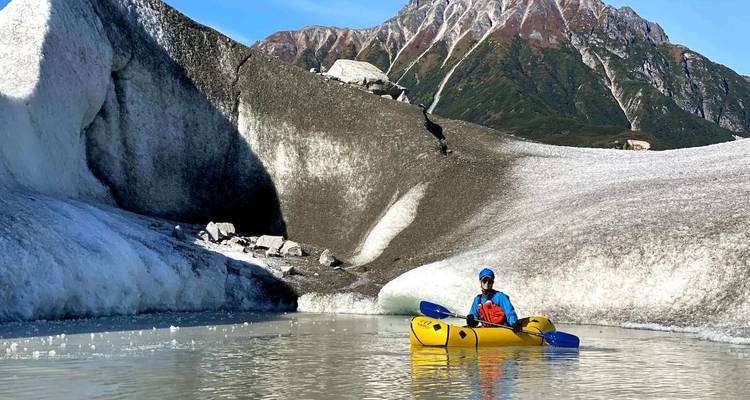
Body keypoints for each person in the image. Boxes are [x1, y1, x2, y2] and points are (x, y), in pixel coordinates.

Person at [466, 268, 523, 333]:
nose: (487, 284)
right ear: (480, 282)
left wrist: (514, 323)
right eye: (484, 281)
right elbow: (473, 316)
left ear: (492, 282)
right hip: (487, 330)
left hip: (501, 329)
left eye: (489, 281)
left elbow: (510, 313)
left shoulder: (500, 297)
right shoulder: (477, 299)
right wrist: (471, 320)